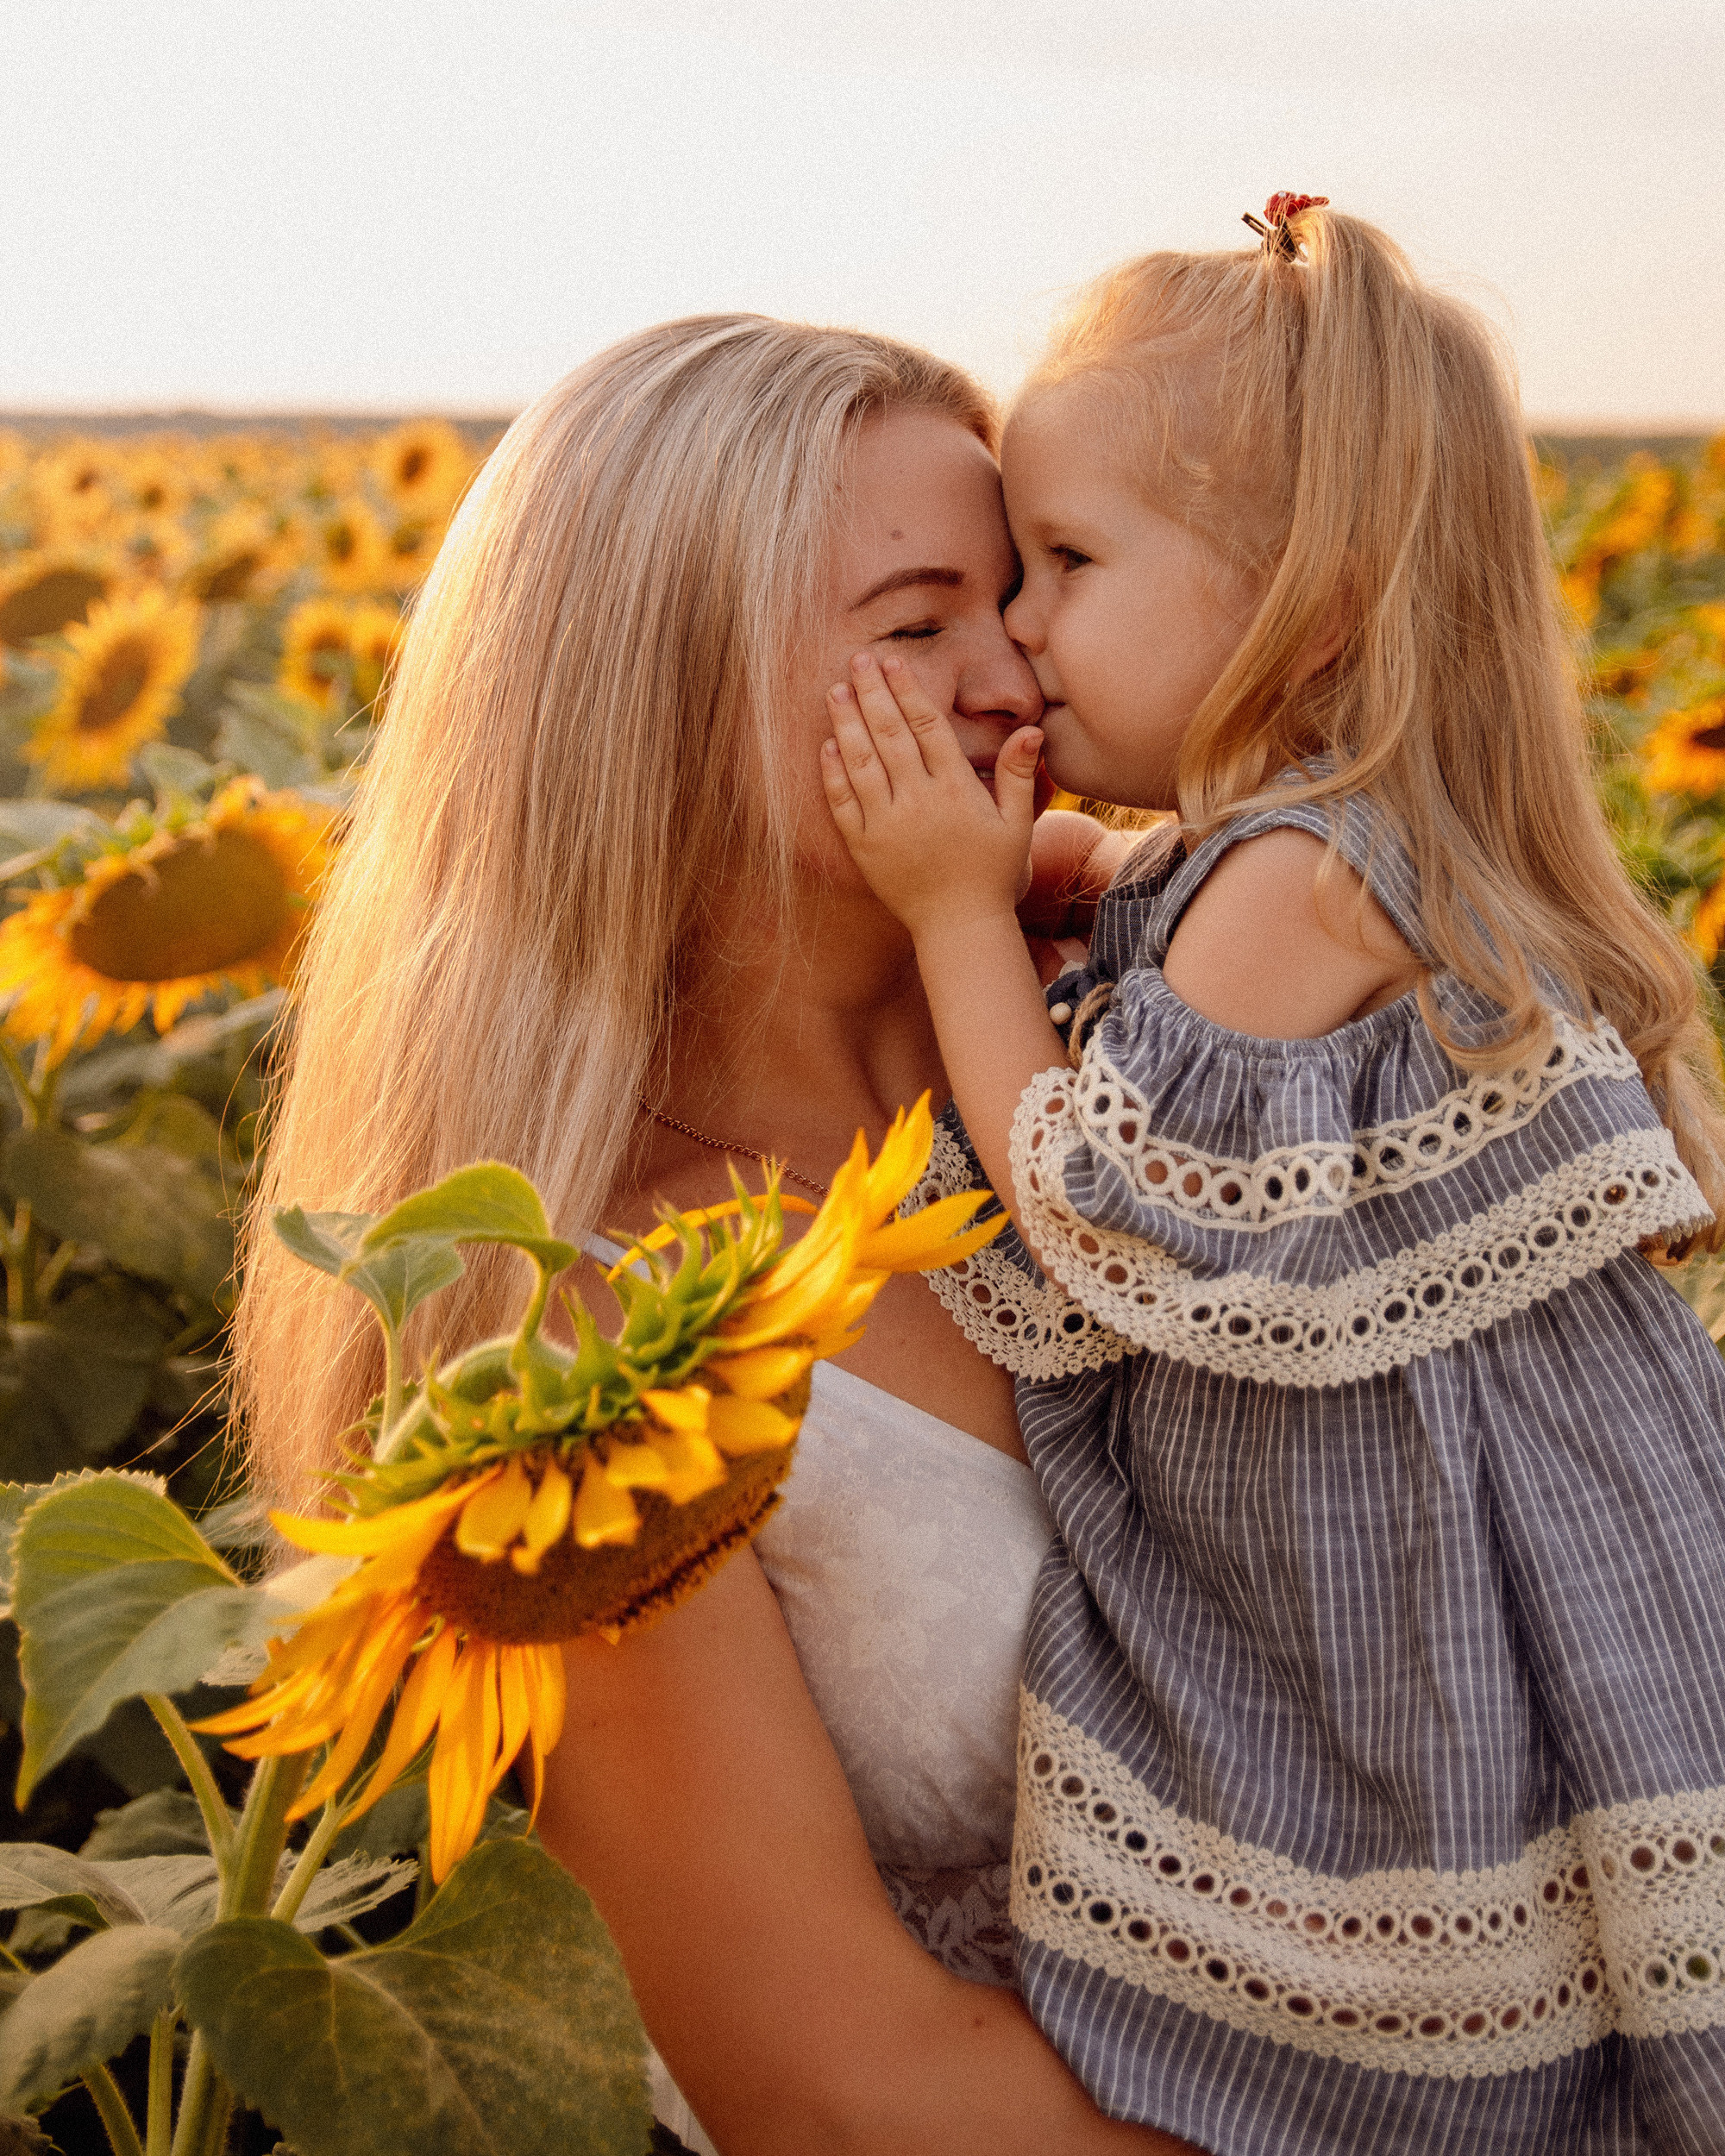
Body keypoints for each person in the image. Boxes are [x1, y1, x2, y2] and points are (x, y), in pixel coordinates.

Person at [823, 197, 1725, 2152]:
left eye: (1065, 564)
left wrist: (955, 913)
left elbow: (1093, 1205)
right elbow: (1148, 908)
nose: (1022, 630)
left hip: (1398, 1600)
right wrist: (1068, 873)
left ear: (1306, 607)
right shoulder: (1306, 847)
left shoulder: (1301, 881)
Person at [235, 314, 1192, 2154]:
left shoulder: (1156, 1052)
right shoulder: (570, 1335)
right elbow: (843, 2092)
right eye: (915, 626)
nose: (1017, 671)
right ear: (653, 703)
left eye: (1019, 589)